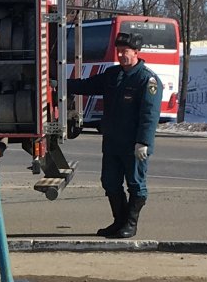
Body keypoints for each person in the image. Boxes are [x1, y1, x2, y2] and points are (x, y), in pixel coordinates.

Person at [67, 31, 161, 238]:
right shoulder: (113, 74)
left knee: (135, 183)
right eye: (118, 52)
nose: (120, 55)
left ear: (136, 52)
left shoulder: (147, 80)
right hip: (112, 142)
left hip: (134, 144)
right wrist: (61, 84)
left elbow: (150, 114)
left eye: (125, 52)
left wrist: (143, 142)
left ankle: (130, 224)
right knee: (109, 181)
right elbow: (87, 85)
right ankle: (119, 222)